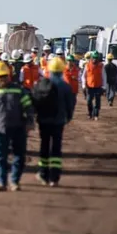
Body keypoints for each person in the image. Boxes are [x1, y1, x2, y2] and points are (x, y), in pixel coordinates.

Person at [0, 60, 35, 192]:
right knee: (1, 157)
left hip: (19, 128)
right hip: (0, 129)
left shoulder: (18, 90)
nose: (3, 79)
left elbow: (28, 107)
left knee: (19, 156)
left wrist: (30, 122)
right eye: (0, 76)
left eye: (5, 76)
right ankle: (2, 182)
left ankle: (15, 181)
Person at [33, 55, 75, 187]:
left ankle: (43, 174)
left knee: (44, 146)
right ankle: (54, 178)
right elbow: (70, 104)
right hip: (58, 121)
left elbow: (35, 101)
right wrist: (68, 117)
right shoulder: (66, 86)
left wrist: (35, 116)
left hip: (43, 120)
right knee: (56, 148)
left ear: (49, 70)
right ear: (62, 70)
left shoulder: (42, 84)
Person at [83, 52, 105, 120]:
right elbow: (83, 76)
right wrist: (84, 85)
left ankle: (96, 115)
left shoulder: (101, 66)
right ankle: (90, 113)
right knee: (89, 101)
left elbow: (104, 76)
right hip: (89, 86)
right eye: (94, 58)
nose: (95, 59)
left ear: (98, 59)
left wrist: (104, 87)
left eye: (96, 58)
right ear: (91, 58)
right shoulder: (87, 65)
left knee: (97, 101)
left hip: (98, 86)